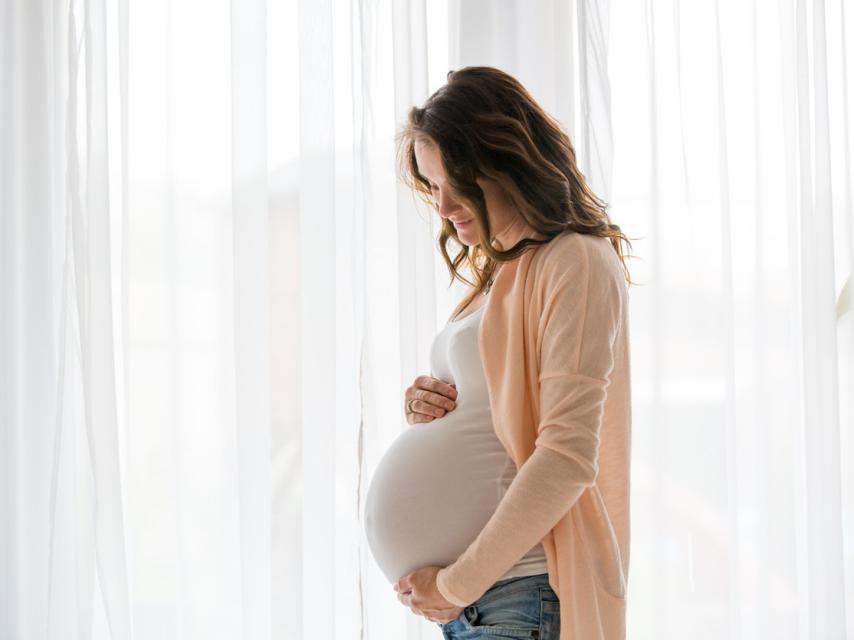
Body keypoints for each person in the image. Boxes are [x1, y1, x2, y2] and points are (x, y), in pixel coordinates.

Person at [392, 66, 635, 640]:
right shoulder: (502, 273)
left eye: (455, 178)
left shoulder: (574, 259)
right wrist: (424, 410)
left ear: (506, 160)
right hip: (489, 599)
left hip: (518, 591)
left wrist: (455, 586)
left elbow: (566, 456)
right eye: (430, 184)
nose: (443, 204)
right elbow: (496, 419)